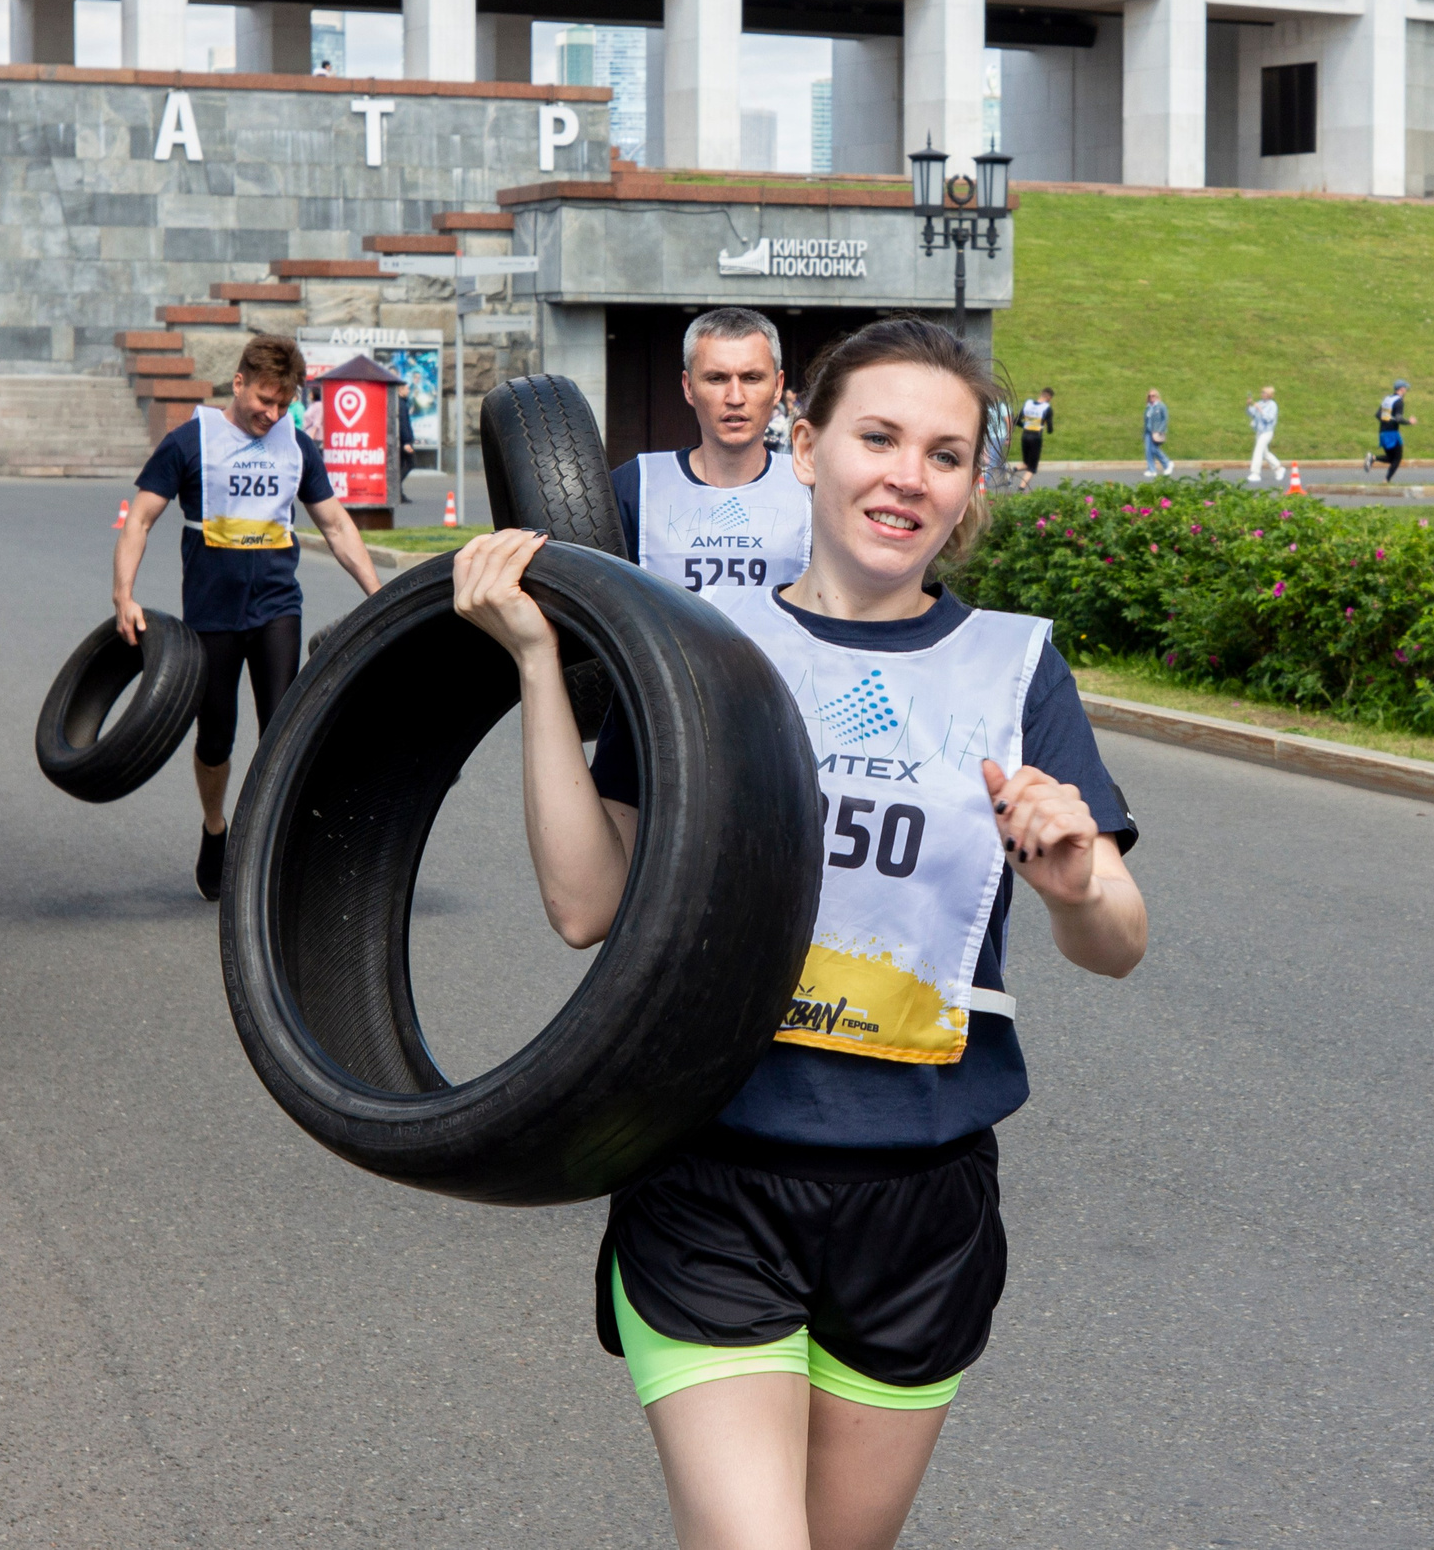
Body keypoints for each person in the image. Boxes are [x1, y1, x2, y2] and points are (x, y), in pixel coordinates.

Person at [451, 317, 1148, 1550]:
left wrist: (1077, 875)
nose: (907, 475)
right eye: (877, 437)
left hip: (919, 1201)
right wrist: (541, 668)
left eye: (944, 453)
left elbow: (1118, 943)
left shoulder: (1010, 667)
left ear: (971, 486)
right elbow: (585, 904)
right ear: (807, 443)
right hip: (711, 1171)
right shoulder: (698, 651)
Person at [113, 334, 384, 901]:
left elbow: (335, 526)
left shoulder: (296, 446)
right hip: (210, 615)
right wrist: (125, 596)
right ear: (238, 383)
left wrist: (377, 593)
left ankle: (272, 849)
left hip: (277, 610)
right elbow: (139, 519)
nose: (272, 413)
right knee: (216, 738)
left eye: (283, 403)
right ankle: (216, 829)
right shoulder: (191, 442)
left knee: (283, 730)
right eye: (264, 399)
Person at [611, 307, 814, 594]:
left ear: (778, 386)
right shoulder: (635, 486)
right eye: (717, 378)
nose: (735, 397)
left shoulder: (813, 489)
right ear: (689, 387)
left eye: (752, 378)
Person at [1366, 379, 1414, 482]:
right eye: (1405, 388)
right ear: (1401, 389)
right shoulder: (1399, 401)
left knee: (1391, 458)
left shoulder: (1387, 399)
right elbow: (1398, 418)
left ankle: (1373, 458)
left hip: (1382, 432)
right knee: (1397, 459)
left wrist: (1386, 421)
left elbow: (1378, 414)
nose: (1406, 391)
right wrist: (1409, 422)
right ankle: (1386, 480)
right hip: (1392, 433)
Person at [1244, 384, 1283, 485]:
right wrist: (1248, 405)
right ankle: (1278, 468)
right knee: (1265, 453)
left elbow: (1269, 418)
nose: (1262, 394)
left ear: (1269, 395)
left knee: (1258, 450)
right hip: (1259, 431)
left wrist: (1260, 411)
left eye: (1264, 393)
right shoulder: (1260, 403)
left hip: (1267, 432)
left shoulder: (1272, 405)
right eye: (1262, 392)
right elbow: (1251, 413)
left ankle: (1255, 473)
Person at [1016, 386, 1053, 482]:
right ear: (1048, 397)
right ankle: (1021, 489)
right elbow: (1050, 429)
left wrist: (1025, 425)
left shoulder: (1028, 404)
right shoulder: (1047, 408)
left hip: (1025, 435)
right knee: (1032, 468)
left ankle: (1010, 471)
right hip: (1036, 437)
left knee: (1025, 464)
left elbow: (1016, 420)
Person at [1141, 388, 1173, 479]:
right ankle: (1152, 470)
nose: (1151, 397)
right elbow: (1146, 421)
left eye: (1153, 395)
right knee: (1148, 451)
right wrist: (1144, 433)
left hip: (1156, 431)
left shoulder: (1161, 406)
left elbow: (1165, 419)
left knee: (1154, 449)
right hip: (1148, 431)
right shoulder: (1148, 407)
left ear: (1157, 396)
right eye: (1149, 396)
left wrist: (1160, 430)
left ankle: (1167, 463)